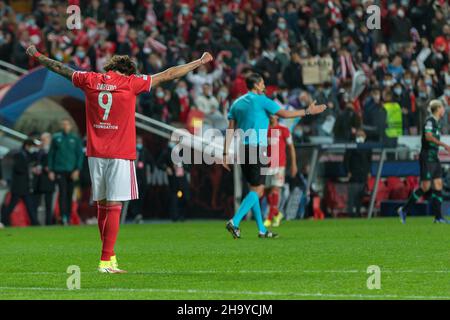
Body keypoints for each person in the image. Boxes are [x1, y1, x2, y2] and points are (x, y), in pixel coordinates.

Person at [26, 44, 213, 273]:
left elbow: (60, 68)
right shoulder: (131, 83)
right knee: (114, 205)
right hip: (119, 152)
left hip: (95, 152)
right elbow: (168, 74)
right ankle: (105, 261)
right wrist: (199, 62)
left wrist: (37, 55)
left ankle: (109, 255)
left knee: (103, 204)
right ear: (128, 71)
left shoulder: (89, 79)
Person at [223, 73, 326, 239]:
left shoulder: (236, 103)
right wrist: (307, 111)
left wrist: (225, 152)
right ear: (256, 85)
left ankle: (262, 230)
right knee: (259, 191)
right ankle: (234, 221)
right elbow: (284, 114)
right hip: (258, 149)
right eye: (262, 83)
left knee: (254, 190)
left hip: (241, 149)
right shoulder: (262, 100)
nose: (264, 86)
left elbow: (230, 129)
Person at [398, 100, 450, 224]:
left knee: (438, 185)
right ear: (437, 109)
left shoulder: (437, 123)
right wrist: (443, 145)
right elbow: (428, 136)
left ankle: (438, 217)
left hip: (434, 157)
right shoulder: (430, 121)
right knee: (425, 187)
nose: (444, 109)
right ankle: (404, 210)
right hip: (426, 157)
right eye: (442, 107)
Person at [48, 119, 84, 226]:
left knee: (69, 193)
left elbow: (80, 155)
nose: (65, 126)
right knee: (62, 193)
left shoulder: (75, 139)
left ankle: (68, 216)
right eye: (63, 124)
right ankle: (62, 216)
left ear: (70, 126)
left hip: (72, 171)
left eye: (67, 124)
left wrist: (77, 169)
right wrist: (51, 170)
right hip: (59, 170)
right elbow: (51, 155)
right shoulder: (56, 138)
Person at [264, 115, 297, 228]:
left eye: (273, 115)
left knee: (275, 189)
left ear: (277, 116)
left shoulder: (284, 130)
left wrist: (293, 164)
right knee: (266, 192)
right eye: (269, 115)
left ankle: (269, 218)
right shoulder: (264, 130)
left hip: (279, 164)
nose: (271, 117)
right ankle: (277, 214)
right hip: (267, 164)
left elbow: (291, 147)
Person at [1, 139, 39, 226]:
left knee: (30, 206)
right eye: (32, 146)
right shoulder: (18, 155)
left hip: (25, 186)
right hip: (18, 186)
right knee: (11, 206)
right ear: (27, 146)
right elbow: (18, 168)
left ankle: (35, 223)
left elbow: (36, 159)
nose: (32, 148)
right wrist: (29, 168)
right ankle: (3, 221)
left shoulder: (28, 155)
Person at [343, 130, 372, 217]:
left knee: (360, 195)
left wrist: (369, 171)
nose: (360, 137)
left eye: (362, 135)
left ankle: (358, 212)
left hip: (363, 175)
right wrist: (347, 171)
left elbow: (369, 161)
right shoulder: (351, 146)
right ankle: (351, 212)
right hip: (354, 174)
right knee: (352, 195)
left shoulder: (367, 147)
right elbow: (346, 160)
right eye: (359, 135)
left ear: (365, 136)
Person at [127, 135, 154, 223]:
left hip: (143, 179)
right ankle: (135, 214)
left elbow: (151, 161)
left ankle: (139, 214)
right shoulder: (131, 150)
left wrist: (151, 171)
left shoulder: (145, 151)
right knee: (133, 198)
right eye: (137, 141)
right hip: (133, 178)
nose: (139, 143)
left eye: (140, 141)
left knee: (141, 197)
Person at [34, 132, 55, 225]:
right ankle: (35, 222)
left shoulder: (53, 150)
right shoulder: (39, 151)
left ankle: (49, 222)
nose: (42, 141)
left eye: (44, 139)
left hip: (48, 180)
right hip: (39, 180)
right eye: (42, 139)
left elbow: (56, 162)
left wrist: (50, 169)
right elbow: (36, 162)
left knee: (48, 204)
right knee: (36, 203)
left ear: (49, 139)